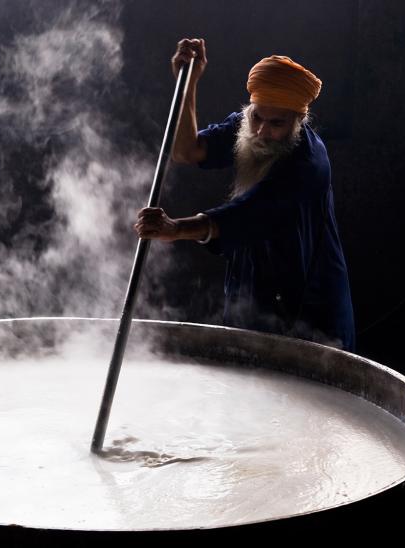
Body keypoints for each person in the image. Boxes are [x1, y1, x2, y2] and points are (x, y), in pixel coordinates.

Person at [135, 39, 355, 351]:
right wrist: (188, 83)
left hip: (307, 301)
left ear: (299, 120)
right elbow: (187, 151)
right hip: (253, 286)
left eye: (277, 123)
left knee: (304, 387)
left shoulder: (309, 164)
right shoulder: (245, 127)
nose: (263, 131)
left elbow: (249, 213)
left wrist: (177, 229)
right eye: (257, 118)